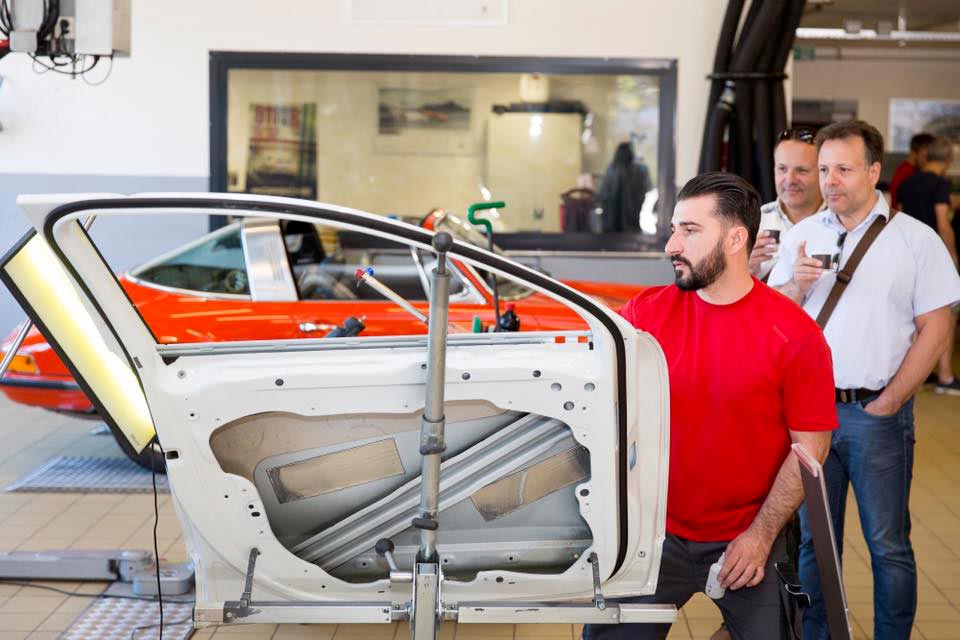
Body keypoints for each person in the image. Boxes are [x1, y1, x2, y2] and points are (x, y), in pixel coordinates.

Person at [583, 172, 838, 640]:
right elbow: (582, 374)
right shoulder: (644, 316)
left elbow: (810, 450)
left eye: (690, 231)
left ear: (736, 238)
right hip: (652, 537)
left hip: (748, 534)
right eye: (674, 229)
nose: (671, 246)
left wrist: (761, 537)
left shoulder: (795, 335)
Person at [768, 120, 960, 640]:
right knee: (814, 544)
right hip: (809, 419)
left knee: (887, 544)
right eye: (825, 169)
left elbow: (937, 325)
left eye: (844, 169)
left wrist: (893, 399)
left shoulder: (915, 240)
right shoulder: (803, 236)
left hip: (877, 414)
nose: (830, 180)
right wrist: (795, 285)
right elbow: (774, 322)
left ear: (874, 172)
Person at [897, 136, 960, 395]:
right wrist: (952, 256)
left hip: (904, 255)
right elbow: (943, 223)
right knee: (944, 315)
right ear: (947, 160)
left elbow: (897, 217)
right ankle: (945, 376)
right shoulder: (940, 185)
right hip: (931, 258)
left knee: (909, 315)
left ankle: (915, 375)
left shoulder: (908, 182)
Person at [749, 128, 826, 280]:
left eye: (802, 170)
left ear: (822, 172)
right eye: (782, 169)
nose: (790, 179)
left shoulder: (842, 225)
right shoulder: (752, 223)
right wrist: (745, 270)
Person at [599, 142, 650, 233]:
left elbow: (603, 196)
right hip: (620, 226)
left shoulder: (637, 171)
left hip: (617, 227)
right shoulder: (613, 171)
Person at [888, 131, 935, 209]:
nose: (927, 161)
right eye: (924, 156)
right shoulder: (908, 174)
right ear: (913, 153)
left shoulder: (909, 170)